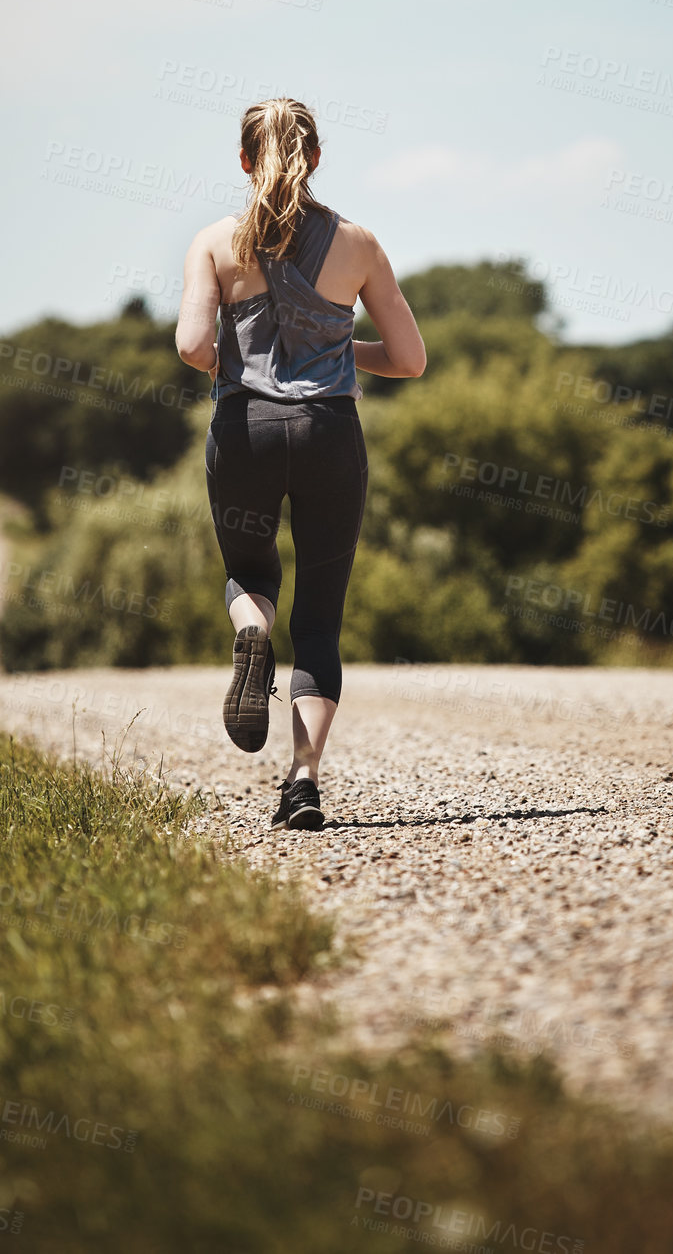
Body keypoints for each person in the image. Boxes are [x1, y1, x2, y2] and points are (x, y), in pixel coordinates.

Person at [176, 98, 426, 831]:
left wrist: (245, 370)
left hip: (245, 429)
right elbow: (410, 360)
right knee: (318, 621)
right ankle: (303, 783)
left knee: (252, 577)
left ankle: (251, 633)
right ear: (315, 159)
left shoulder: (216, 243)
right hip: (328, 434)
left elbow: (194, 347)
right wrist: (333, 352)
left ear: (245, 160)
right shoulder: (359, 244)